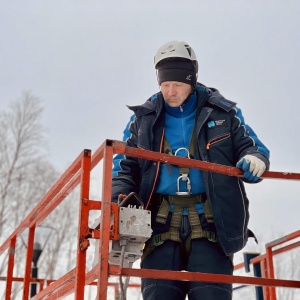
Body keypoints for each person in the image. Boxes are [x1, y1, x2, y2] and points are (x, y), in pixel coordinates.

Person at [111, 41, 270, 300]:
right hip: (159, 225)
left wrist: (255, 159)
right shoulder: (143, 120)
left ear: (192, 80)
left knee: (212, 295)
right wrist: (117, 201)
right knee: (158, 295)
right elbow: (124, 167)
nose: (170, 92)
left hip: (212, 223)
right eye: (164, 85)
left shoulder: (223, 113)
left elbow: (250, 147)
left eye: (178, 85)